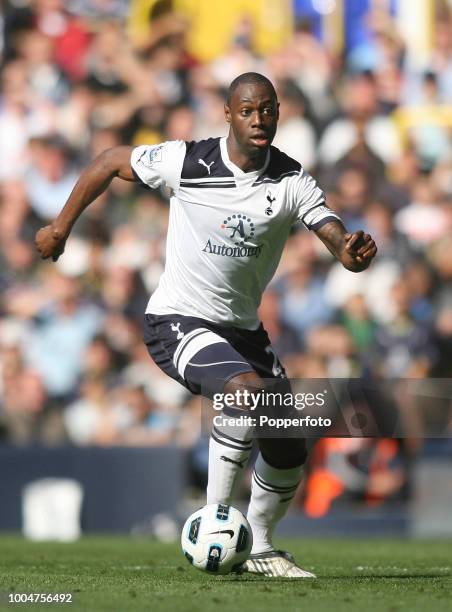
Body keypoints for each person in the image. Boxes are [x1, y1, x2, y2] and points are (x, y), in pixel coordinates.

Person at [35, 72, 377, 578]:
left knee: (287, 445)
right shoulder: (187, 161)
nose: (259, 120)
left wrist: (349, 252)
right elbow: (109, 161)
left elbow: (332, 234)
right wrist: (61, 227)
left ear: (279, 113)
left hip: (242, 330)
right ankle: (217, 521)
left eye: (268, 110)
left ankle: (259, 547)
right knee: (243, 390)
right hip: (176, 319)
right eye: (247, 110)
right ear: (228, 114)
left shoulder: (291, 180)